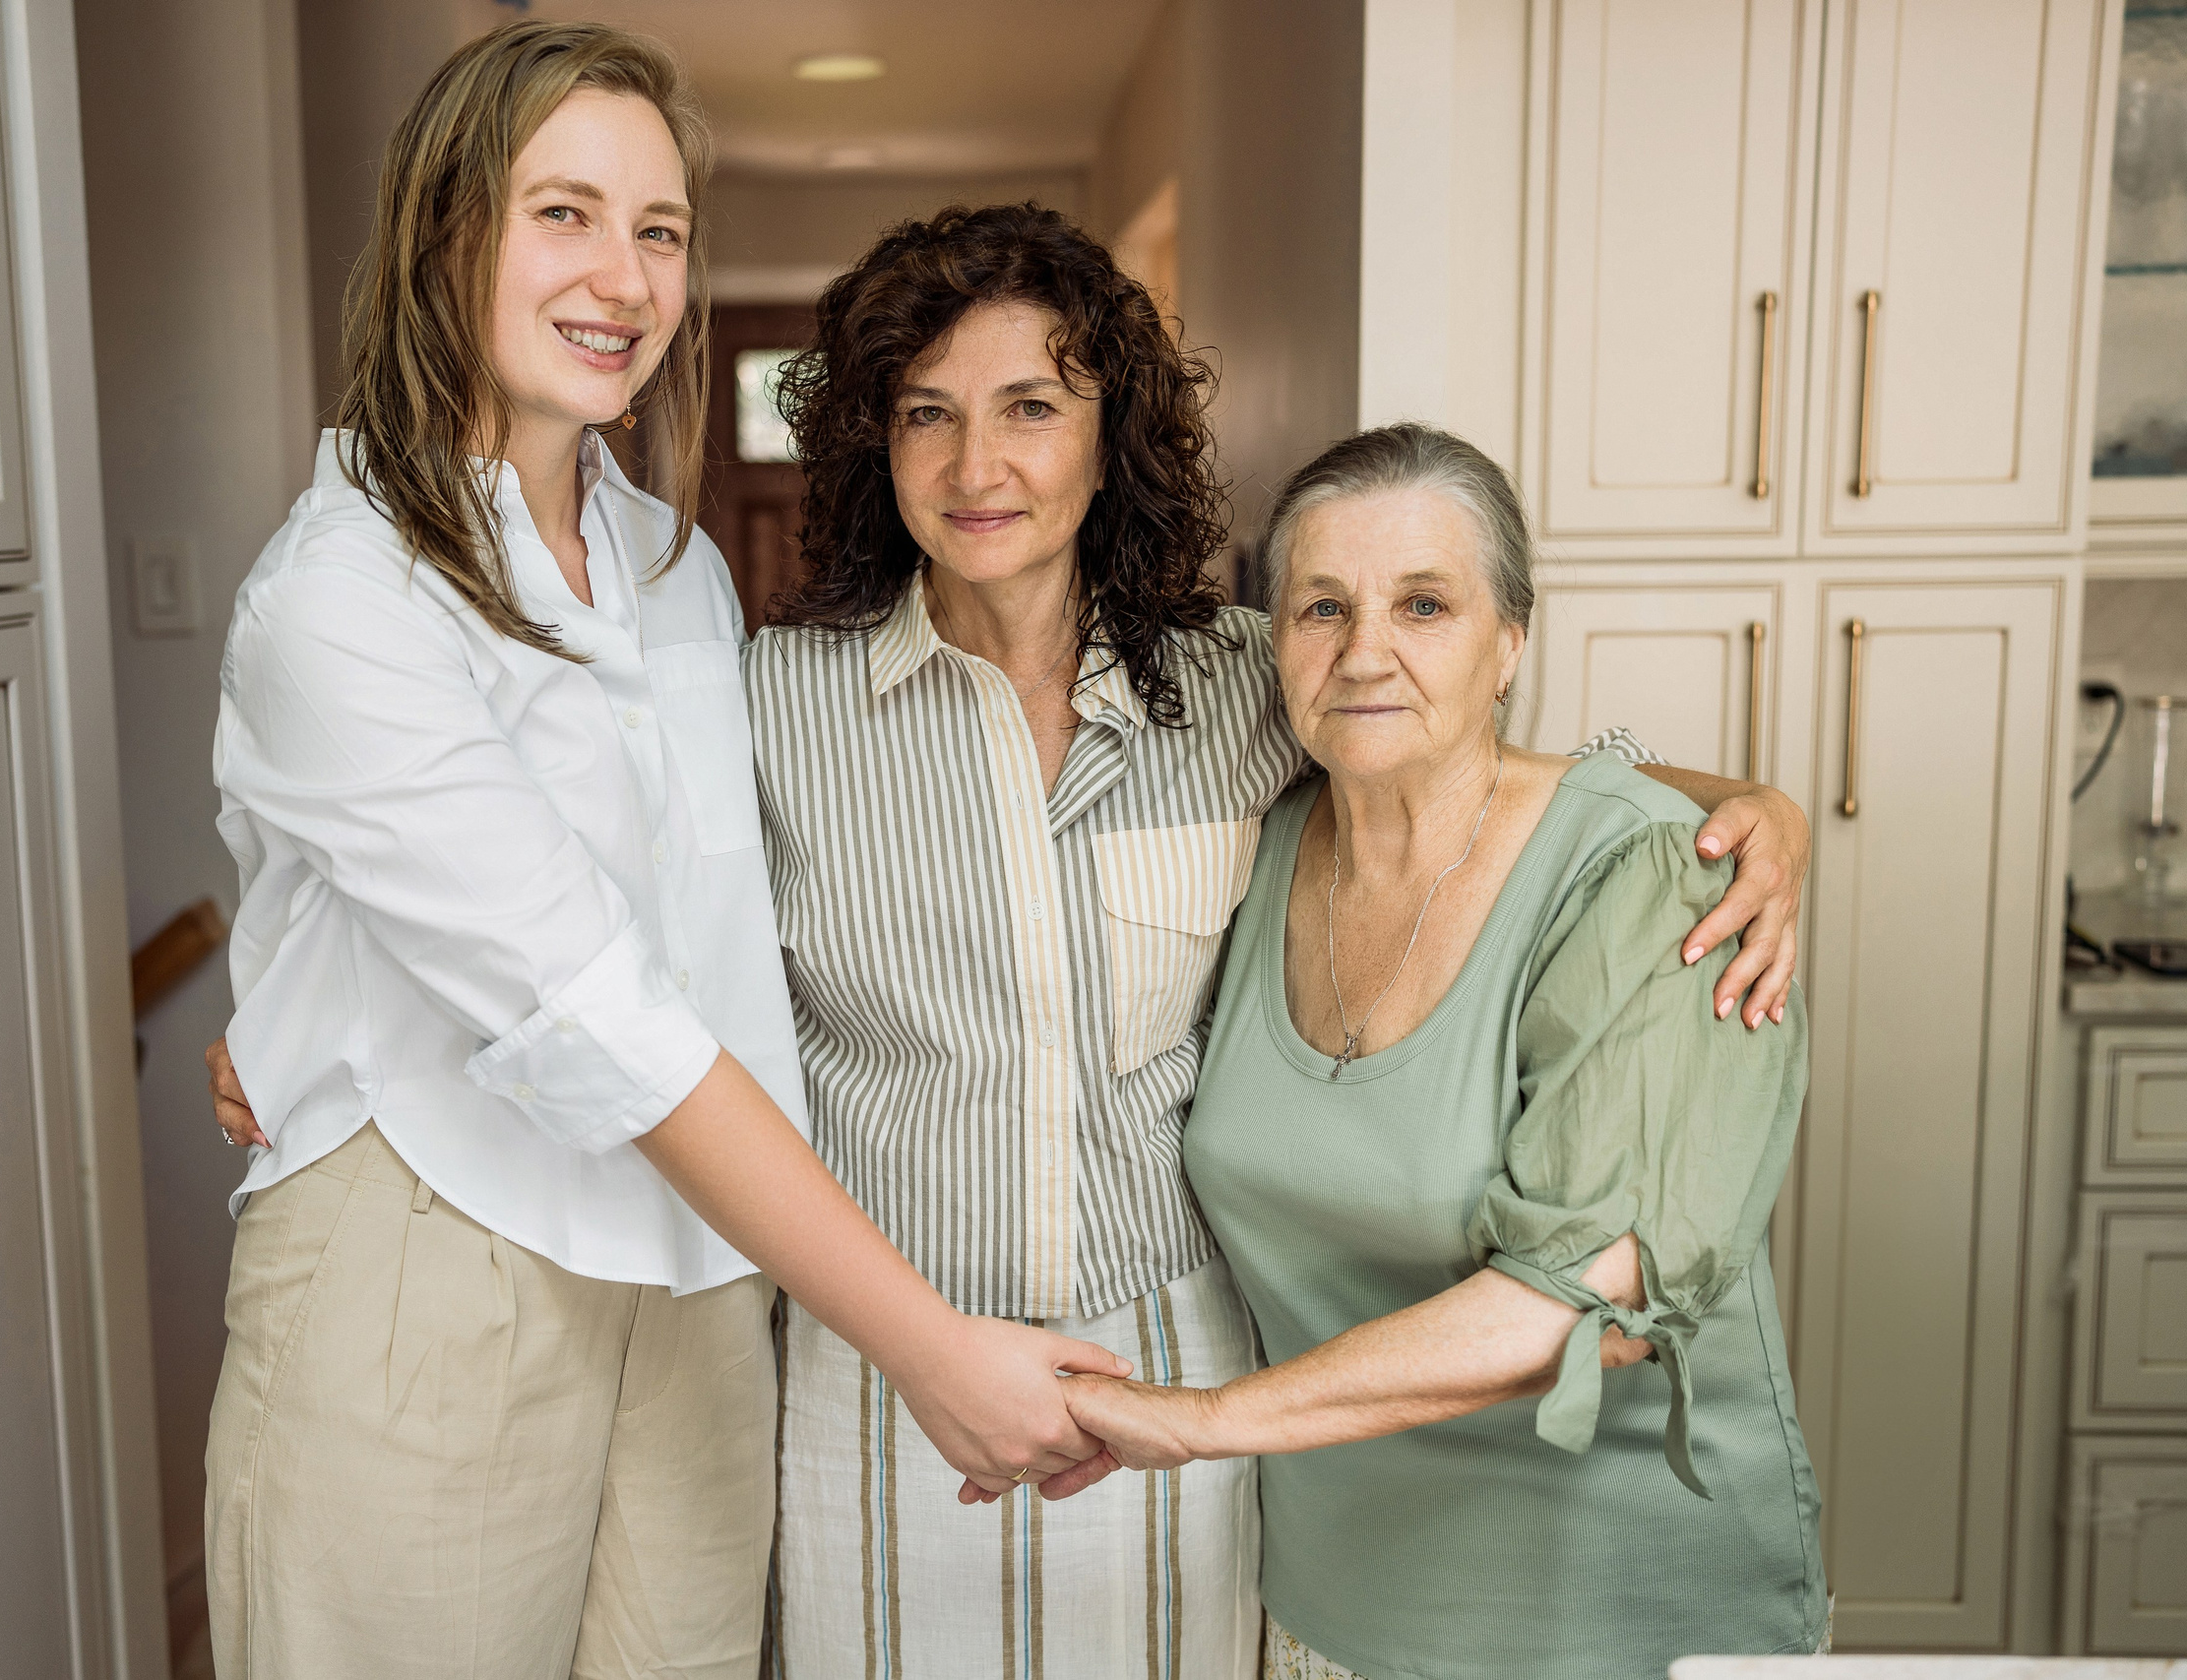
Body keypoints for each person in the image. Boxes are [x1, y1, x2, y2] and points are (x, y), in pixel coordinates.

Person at [745, 208, 1813, 1679]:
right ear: (877, 441)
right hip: (887, 1355)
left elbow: (1473, 742)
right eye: (926, 413)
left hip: (1181, 1353)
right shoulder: (765, 708)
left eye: (1031, 408)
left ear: (1110, 434)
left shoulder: (1251, 672)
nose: (976, 466)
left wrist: (1754, 807)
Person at [196, 30, 1128, 1680]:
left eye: (660, 229)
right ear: (444, 236)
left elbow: (727, 925)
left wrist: (1742, 808)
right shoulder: (339, 596)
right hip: (438, 1255)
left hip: (704, 1277)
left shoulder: (674, 567)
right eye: (565, 213)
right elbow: (594, 1006)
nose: (622, 277)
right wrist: (927, 1344)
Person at [1052, 423, 1829, 1680]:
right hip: (1329, 1605)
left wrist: (1199, 1423)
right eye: (1322, 608)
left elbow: (1590, 1298)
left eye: (1424, 604)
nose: (1366, 652)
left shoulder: (1653, 882)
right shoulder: (1263, 844)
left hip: (1614, 1618)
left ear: (1509, 640)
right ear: (1274, 646)